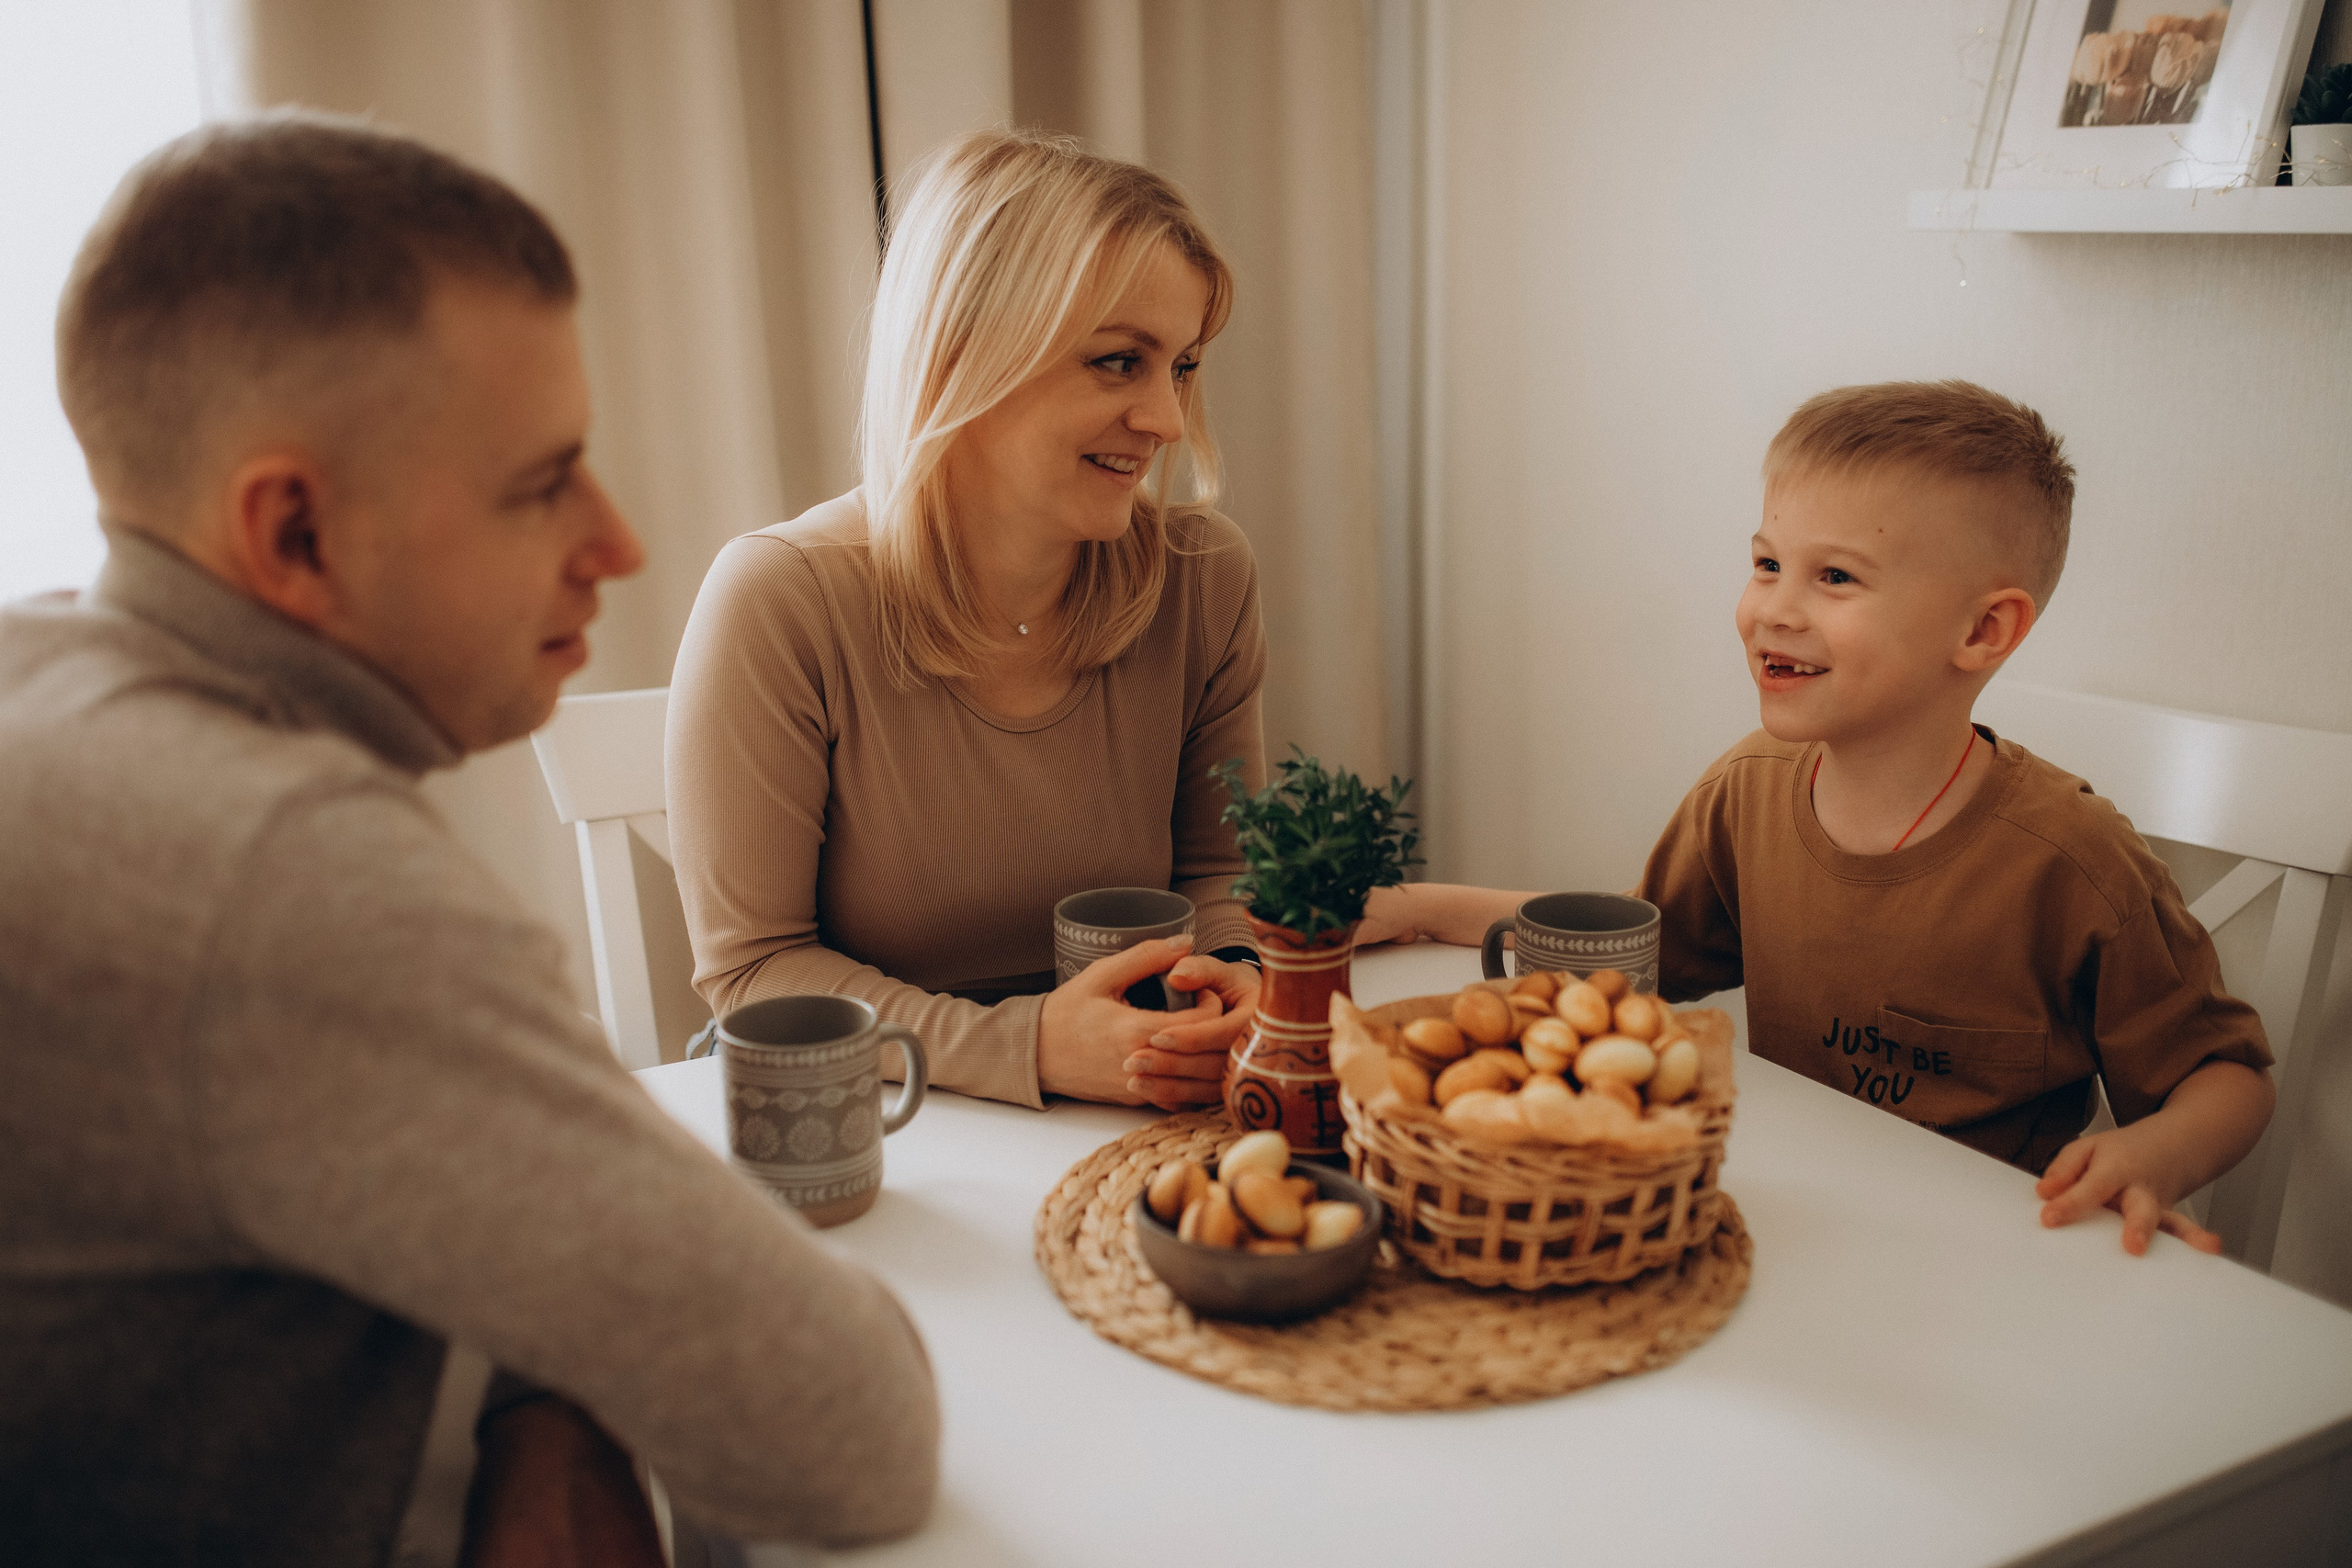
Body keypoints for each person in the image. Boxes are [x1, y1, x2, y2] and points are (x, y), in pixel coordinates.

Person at [0, 115, 937, 1564]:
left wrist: (551, 1389)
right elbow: (856, 1428)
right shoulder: (272, 864)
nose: (618, 542)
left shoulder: (48, 673)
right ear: (294, 534)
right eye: (540, 479)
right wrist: (579, 1376)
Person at [1358, 380, 2273, 1258]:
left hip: (1991, 1264)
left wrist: (2154, 1154)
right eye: (1765, 564)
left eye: (1833, 577)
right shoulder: (1746, 791)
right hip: (1792, 1227)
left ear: (1983, 632)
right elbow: (1625, 950)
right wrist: (1419, 906)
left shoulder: (2073, 863)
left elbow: (2227, 1078)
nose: (1772, 611)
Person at [668, 130, 1265, 1115]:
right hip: (866, 1111)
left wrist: (1232, 968)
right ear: (963, 357)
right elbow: (754, 971)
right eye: (1120, 362)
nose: (1164, 418)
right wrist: (1026, 1044)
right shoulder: (777, 600)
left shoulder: (1204, 580)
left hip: (1118, 1099)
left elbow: (1216, 874)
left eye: (1184, 366)